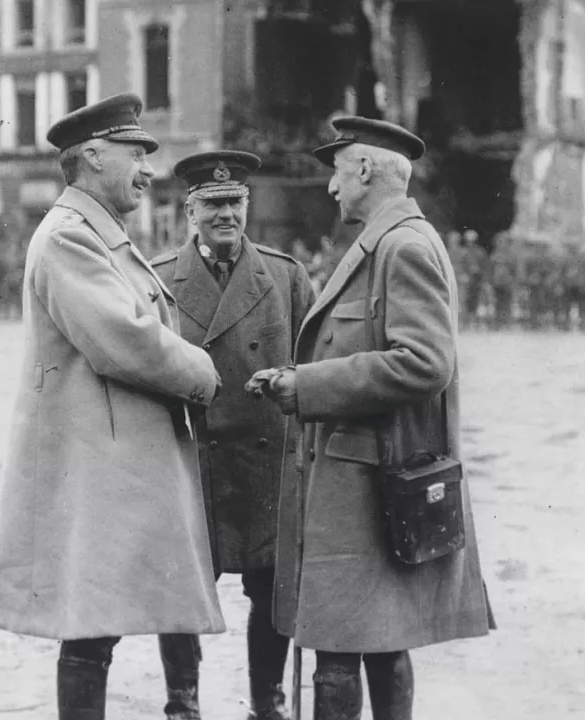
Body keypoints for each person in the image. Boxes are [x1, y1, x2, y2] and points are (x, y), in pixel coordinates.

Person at [0, 94, 226, 720]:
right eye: (136, 153)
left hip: (113, 462)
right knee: (88, 626)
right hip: (95, 466)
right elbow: (126, 342)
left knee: (104, 621)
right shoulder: (70, 238)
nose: (148, 168)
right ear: (92, 155)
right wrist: (203, 372)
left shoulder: (94, 233)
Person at [248, 116, 492, 720]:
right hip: (359, 482)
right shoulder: (384, 243)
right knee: (379, 641)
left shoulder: (402, 246)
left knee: (340, 646)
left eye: (336, 170)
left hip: (366, 487)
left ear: (362, 169)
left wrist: (306, 385)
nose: (331, 187)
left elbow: (425, 362)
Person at [151, 151, 316, 720]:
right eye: (214, 205)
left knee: (270, 591)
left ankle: (267, 703)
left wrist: (292, 381)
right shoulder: (158, 281)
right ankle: (183, 702)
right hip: (193, 460)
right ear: (190, 211)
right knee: (182, 590)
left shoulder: (287, 276)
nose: (227, 215)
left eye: (235, 203)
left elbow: (315, 364)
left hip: (265, 464)